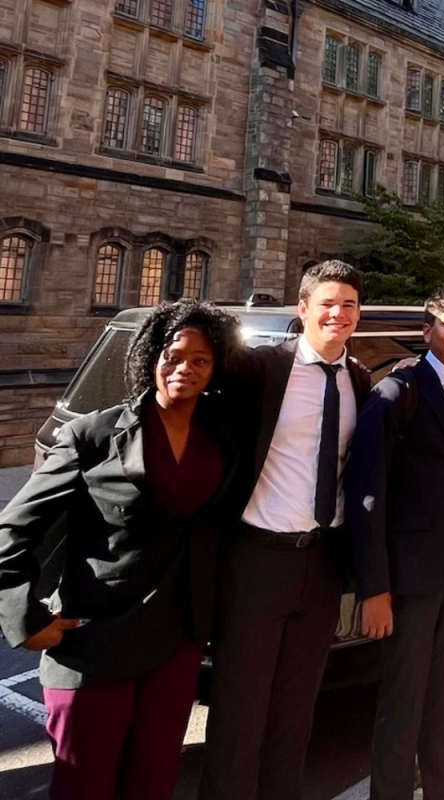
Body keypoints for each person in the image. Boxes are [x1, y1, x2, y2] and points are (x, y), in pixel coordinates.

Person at [0, 301, 240, 800]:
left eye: (201, 360)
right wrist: (23, 618)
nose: (185, 369)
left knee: (152, 783)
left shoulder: (221, 439)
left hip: (177, 641)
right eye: (174, 356)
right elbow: (14, 528)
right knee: (84, 785)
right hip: (97, 639)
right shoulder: (93, 435)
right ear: (151, 355)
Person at [201, 261, 370, 800]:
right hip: (257, 559)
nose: (337, 313)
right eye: (327, 303)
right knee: (239, 708)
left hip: (320, 563)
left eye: (348, 304)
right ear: (304, 309)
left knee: (297, 709)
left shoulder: (359, 380)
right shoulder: (260, 370)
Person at [345, 288, 444, 800]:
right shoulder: (397, 392)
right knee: (402, 703)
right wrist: (375, 587)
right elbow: (368, 489)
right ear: (427, 330)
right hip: (411, 575)